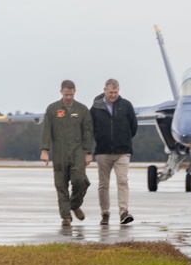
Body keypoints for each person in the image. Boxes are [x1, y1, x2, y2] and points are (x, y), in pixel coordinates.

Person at [40, 79, 93, 227]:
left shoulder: (82, 110)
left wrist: (88, 152)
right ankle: (66, 217)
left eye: (71, 94)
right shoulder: (52, 109)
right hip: (59, 151)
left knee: (81, 180)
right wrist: (45, 150)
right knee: (61, 185)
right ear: (61, 92)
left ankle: (74, 204)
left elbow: (88, 132)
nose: (68, 97)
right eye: (66, 94)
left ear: (75, 92)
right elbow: (46, 130)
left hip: (77, 151)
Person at [91, 78, 139, 226]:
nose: (113, 95)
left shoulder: (126, 106)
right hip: (103, 152)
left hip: (122, 151)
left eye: (116, 92)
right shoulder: (95, 108)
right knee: (103, 184)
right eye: (111, 92)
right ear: (104, 90)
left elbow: (133, 126)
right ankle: (104, 213)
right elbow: (90, 129)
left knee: (122, 181)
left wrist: (122, 139)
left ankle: (124, 212)